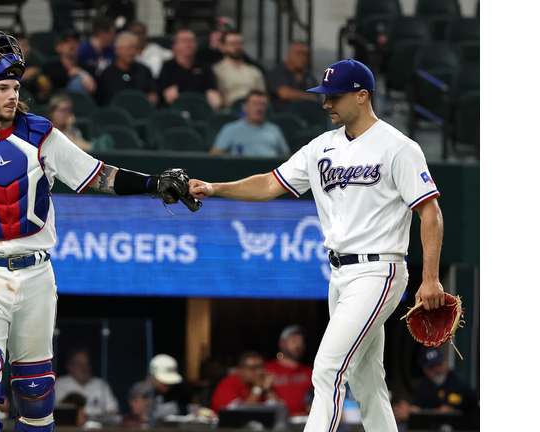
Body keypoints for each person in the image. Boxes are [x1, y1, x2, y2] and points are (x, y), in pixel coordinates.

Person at [0, 30, 193, 432]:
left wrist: (153, 183)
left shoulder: (43, 135)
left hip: (37, 275)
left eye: (15, 86)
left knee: (36, 396)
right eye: (2, 87)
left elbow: (100, 176)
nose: (13, 94)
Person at [189, 58, 445, 432]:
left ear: (362, 95)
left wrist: (431, 278)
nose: (326, 103)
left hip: (380, 270)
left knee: (327, 369)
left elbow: (430, 212)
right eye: (325, 95)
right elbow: (270, 183)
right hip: (339, 274)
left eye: (334, 96)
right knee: (366, 380)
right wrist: (215, 188)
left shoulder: (398, 147)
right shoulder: (321, 147)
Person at [392, 347, 479, 430]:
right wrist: (410, 410)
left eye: (439, 365)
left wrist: (412, 412)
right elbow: (418, 407)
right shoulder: (424, 386)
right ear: (425, 370)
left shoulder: (459, 384)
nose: (437, 370)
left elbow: (445, 413)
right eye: (431, 368)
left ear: (446, 363)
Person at [210, 90, 290, 157]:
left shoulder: (274, 130)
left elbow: (286, 157)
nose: (259, 108)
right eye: (254, 104)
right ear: (245, 107)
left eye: (262, 104)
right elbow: (215, 155)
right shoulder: (230, 129)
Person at [157, 29, 222, 111]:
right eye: (184, 41)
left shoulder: (204, 66)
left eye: (191, 41)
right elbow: (170, 96)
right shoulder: (168, 67)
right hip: (177, 109)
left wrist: (214, 105)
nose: (188, 44)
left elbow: (213, 93)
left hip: (201, 108)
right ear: (175, 46)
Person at [94, 31, 159, 106]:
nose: (132, 52)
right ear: (117, 50)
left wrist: (152, 99)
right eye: (128, 48)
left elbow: (154, 93)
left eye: (135, 48)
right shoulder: (107, 74)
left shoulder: (144, 71)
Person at [54, 349, 120, 418]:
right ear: (70, 367)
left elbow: (113, 411)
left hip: (97, 423)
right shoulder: (59, 384)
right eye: (80, 365)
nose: (84, 368)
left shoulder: (101, 384)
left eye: (87, 364)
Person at [264, 325, 313, 417]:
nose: (299, 345)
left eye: (302, 341)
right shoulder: (266, 368)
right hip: (276, 421)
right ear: (282, 343)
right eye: (294, 341)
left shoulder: (310, 371)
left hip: (304, 420)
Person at [210, 351, 282, 413]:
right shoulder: (229, 383)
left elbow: (279, 412)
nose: (259, 372)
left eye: (261, 367)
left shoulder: (263, 384)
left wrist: (268, 390)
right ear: (241, 370)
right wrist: (257, 388)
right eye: (253, 368)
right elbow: (237, 414)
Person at [211, 30, 266, 109]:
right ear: (223, 47)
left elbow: (263, 96)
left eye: (239, 43)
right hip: (228, 110)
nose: (236, 47)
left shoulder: (254, 71)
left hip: (252, 111)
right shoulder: (216, 70)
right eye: (232, 44)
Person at [267, 41, 319, 112]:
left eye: (305, 54)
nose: (302, 57)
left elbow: (317, 98)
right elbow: (284, 94)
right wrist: (308, 97)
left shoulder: (309, 77)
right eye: (298, 53)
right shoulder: (278, 72)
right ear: (288, 54)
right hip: (284, 114)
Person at [43, 30, 97, 94]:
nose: (71, 44)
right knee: (77, 82)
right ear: (57, 47)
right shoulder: (50, 67)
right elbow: (57, 79)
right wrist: (81, 74)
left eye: (75, 40)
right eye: (66, 41)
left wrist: (81, 73)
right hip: (58, 98)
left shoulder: (87, 67)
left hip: (83, 99)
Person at [146, 354, 195, 422]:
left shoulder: (181, 393)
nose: (168, 385)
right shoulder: (143, 394)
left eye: (170, 382)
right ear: (152, 376)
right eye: (163, 381)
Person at [16, 36, 53, 105]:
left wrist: (44, 90)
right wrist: (22, 76)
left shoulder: (32, 64)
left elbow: (38, 97)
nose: (28, 49)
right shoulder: (2, 65)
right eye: (23, 46)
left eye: (28, 45)